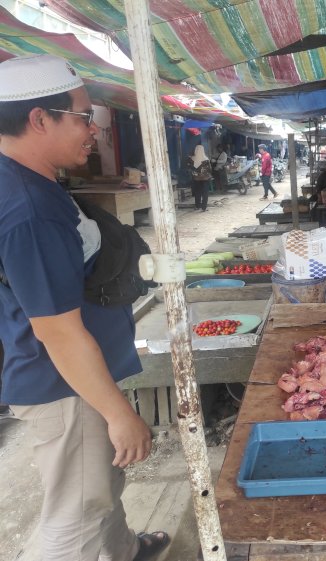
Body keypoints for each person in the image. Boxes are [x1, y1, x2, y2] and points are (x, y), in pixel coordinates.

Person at [0, 54, 168, 561]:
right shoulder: (28, 210)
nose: (93, 131)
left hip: (71, 377)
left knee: (98, 485)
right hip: (63, 386)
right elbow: (59, 332)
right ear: (39, 119)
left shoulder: (30, 181)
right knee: (75, 514)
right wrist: (119, 414)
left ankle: (125, 550)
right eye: (82, 118)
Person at [188, 144, 211, 211]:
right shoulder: (206, 159)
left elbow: (189, 167)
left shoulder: (192, 159)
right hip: (205, 178)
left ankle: (197, 206)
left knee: (197, 192)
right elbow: (209, 169)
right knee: (205, 193)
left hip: (196, 178)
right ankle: (204, 208)